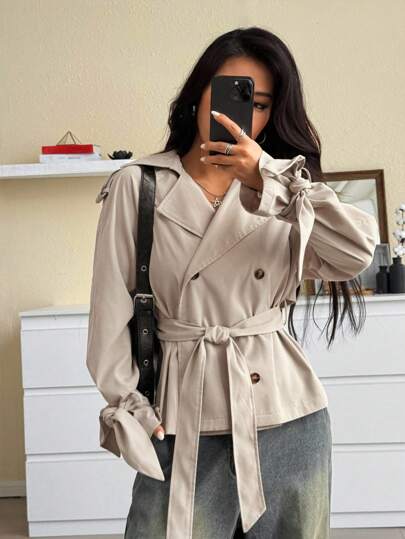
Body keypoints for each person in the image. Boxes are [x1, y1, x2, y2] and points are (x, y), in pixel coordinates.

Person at [86, 26, 379, 539]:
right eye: (228, 93)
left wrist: (268, 178)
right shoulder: (140, 186)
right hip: (182, 418)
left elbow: (355, 254)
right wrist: (132, 406)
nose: (240, 113)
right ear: (197, 95)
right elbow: (109, 317)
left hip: (288, 418)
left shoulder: (283, 190)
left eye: (258, 103)